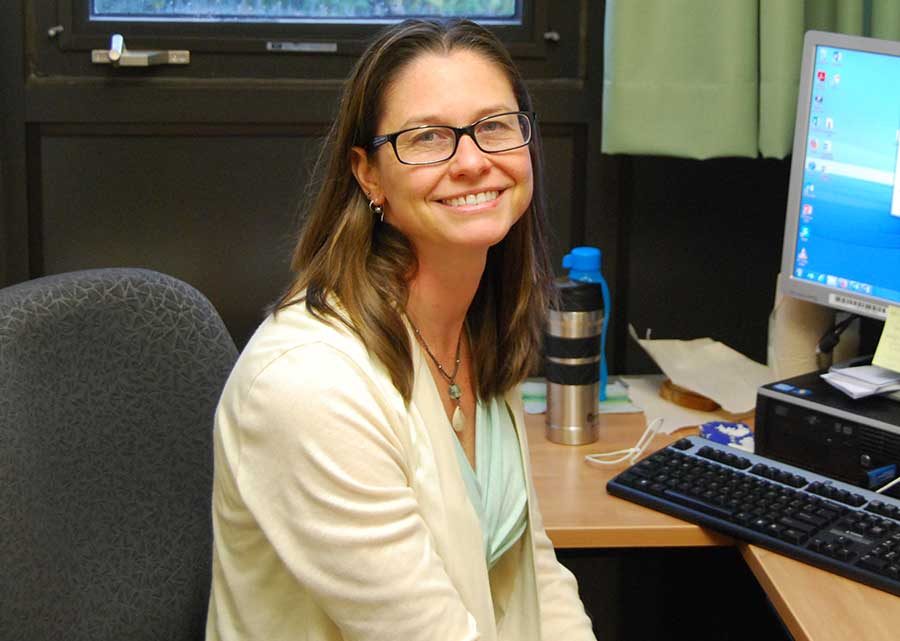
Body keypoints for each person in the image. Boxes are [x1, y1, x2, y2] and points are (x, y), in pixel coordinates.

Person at [205, 18, 597, 641]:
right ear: (367, 174)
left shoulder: (470, 328)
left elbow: (532, 572)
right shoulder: (311, 386)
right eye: (427, 137)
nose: (472, 161)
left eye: (494, 126)